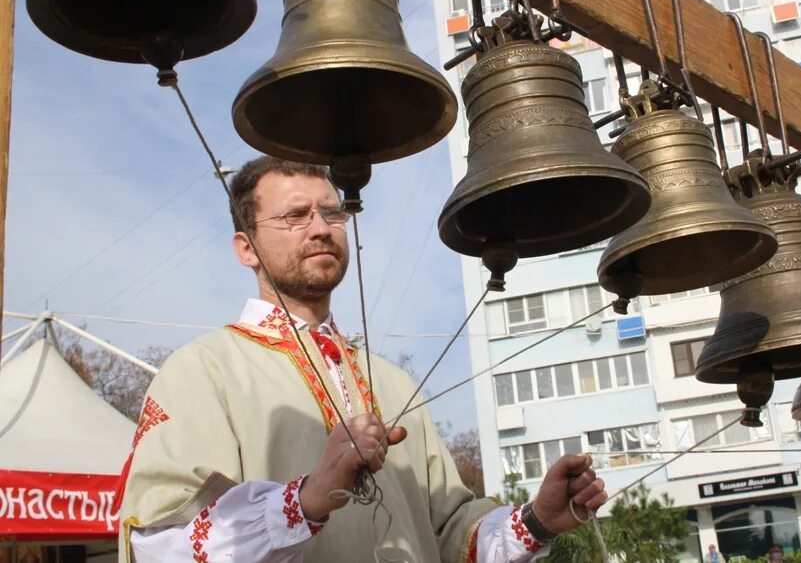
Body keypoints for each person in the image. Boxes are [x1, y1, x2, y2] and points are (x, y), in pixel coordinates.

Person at [116, 157, 608, 562]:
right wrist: (306, 499)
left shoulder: (393, 382)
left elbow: (452, 534)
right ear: (246, 248)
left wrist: (538, 521)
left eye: (332, 214)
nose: (321, 228)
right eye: (295, 216)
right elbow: (160, 545)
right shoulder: (202, 370)